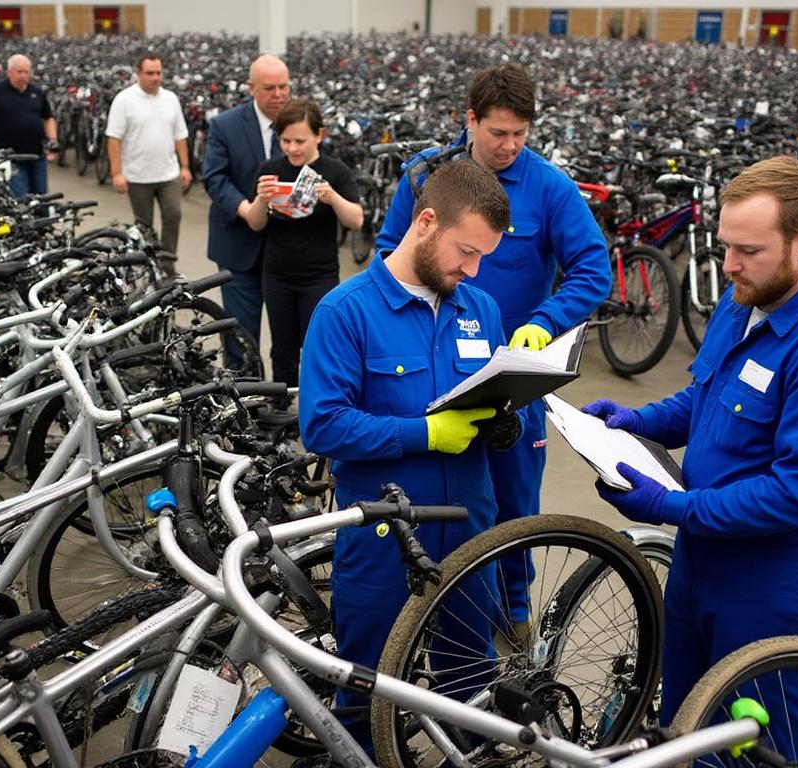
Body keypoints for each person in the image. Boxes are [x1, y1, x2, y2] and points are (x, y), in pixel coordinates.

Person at [583, 155, 798, 757]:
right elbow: (709, 399)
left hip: (776, 579)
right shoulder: (748, 298)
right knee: (684, 732)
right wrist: (638, 422)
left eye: (747, 250)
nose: (728, 265)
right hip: (704, 558)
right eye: (725, 246)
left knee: (759, 750)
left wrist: (672, 505)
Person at [374, 63, 610, 639]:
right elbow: (390, 252)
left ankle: (516, 606)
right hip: (432, 367)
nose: (508, 147)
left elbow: (592, 269)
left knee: (514, 495)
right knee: (432, 481)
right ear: (470, 120)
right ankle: (428, 596)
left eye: (519, 135)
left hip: (513, 375)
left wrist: (543, 324)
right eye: (497, 133)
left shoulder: (550, 188)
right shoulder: (428, 177)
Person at [300, 160, 524, 753]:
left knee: (469, 681)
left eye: (483, 258)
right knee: (367, 685)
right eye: (466, 252)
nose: (473, 270)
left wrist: (507, 423)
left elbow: (497, 395)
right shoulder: (344, 312)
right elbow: (323, 425)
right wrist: (424, 435)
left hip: (471, 530)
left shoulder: (479, 309)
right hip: (384, 537)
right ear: (425, 222)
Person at [244, 98, 363, 387]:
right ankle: (281, 411)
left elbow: (356, 220)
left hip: (319, 276)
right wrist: (261, 198)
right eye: (285, 141)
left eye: (300, 141)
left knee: (318, 350)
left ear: (319, 136)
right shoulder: (269, 170)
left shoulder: (335, 171)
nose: (292, 148)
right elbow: (255, 223)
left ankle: (317, 410)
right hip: (277, 275)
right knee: (282, 350)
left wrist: (333, 197)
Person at [201, 54, 290, 368]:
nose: (278, 94)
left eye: (283, 87)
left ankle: (283, 403)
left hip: (288, 250)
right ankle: (245, 400)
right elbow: (214, 177)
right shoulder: (225, 125)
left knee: (289, 338)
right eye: (270, 88)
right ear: (252, 88)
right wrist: (246, 208)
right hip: (239, 245)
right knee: (241, 336)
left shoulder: (300, 124)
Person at [105, 53, 193, 260]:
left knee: (173, 214)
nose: (155, 78)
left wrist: (185, 166)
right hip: (137, 176)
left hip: (168, 174)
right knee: (144, 225)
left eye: (158, 73)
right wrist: (117, 173)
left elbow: (180, 136)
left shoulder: (171, 99)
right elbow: (114, 139)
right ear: (138, 74)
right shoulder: (124, 100)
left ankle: (167, 260)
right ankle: (149, 262)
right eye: (150, 73)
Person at [0, 54, 58, 198]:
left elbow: (48, 118)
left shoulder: (37, 93)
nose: (23, 76)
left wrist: (53, 141)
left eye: (26, 72)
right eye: (19, 72)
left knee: (41, 199)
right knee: (20, 199)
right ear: (9, 72)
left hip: (36, 156)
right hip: (11, 158)